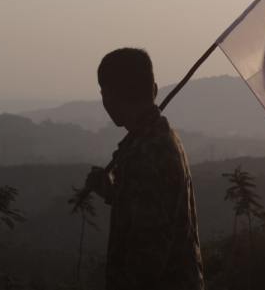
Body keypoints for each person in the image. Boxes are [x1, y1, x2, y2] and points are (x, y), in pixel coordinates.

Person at [86, 48, 205, 290]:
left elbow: (147, 256)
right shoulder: (158, 140)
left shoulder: (148, 152)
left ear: (109, 95)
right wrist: (112, 192)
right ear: (154, 89)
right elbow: (149, 207)